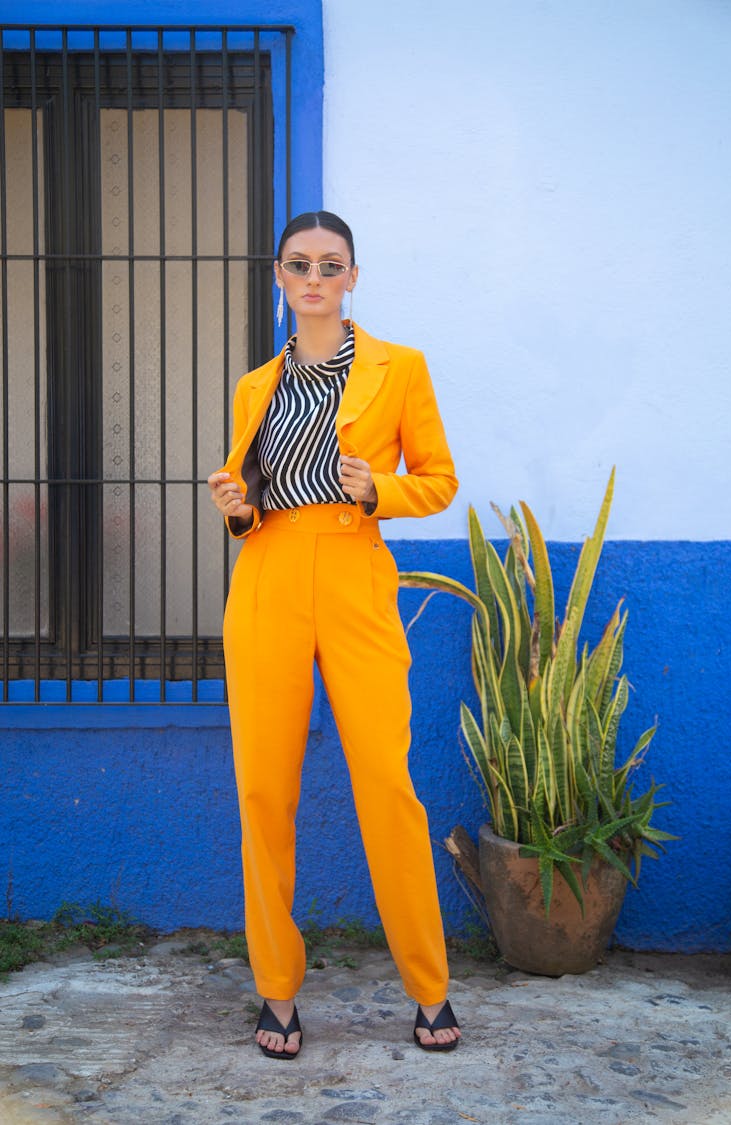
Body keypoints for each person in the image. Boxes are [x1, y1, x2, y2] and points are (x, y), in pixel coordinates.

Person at [207, 211, 461, 1058]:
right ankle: (276, 989)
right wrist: (239, 509)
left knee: (388, 782)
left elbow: (439, 481)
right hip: (270, 575)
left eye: (330, 264)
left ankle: (430, 986)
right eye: (298, 264)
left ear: (353, 276)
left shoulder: (401, 369)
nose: (313, 277)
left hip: (355, 569)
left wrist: (378, 486)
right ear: (278, 277)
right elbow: (253, 489)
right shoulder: (254, 384)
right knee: (263, 791)